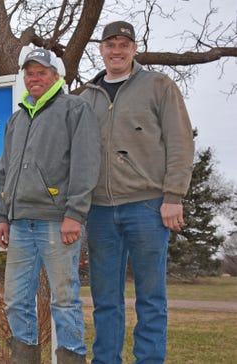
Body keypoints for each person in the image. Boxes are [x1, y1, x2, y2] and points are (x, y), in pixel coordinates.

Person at [81, 21, 194, 364]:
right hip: (99, 210)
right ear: (100, 49)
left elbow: (180, 141)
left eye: (123, 45)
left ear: (134, 49)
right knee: (105, 299)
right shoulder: (86, 96)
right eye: (110, 44)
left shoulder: (159, 85)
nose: (116, 51)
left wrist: (173, 196)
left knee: (150, 298)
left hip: (147, 206)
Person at [0, 49, 100, 364]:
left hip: (58, 223)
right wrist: (2, 216)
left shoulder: (75, 109)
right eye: (29, 72)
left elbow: (86, 164)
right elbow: (5, 171)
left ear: (56, 76)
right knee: (16, 301)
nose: (34, 78)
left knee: (64, 301)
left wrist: (74, 214)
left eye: (41, 72)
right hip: (19, 224)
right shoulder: (16, 119)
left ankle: (71, 358)